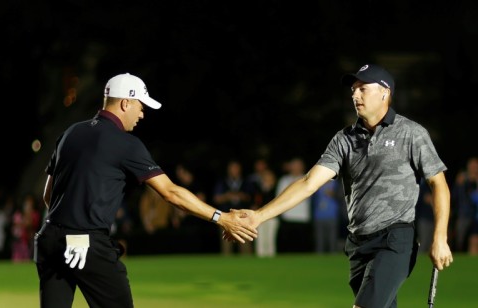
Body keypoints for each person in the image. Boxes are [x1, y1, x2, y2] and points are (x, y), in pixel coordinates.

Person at [230, 64, 453, 307]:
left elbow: (438, 183)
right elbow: (308, 183)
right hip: (358, 244)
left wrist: (440, 237)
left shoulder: (411, 133)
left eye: (362, 89)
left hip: (395, 238)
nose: (354, 95)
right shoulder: (344, 139)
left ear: (384, 92)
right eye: (353, 89)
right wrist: (259, 216)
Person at [34, 73, 257, 308]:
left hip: (48, 240)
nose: (142, 114)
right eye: (141, 107)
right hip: (86, 243)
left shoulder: (70, 133)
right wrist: (221, 217)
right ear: (125, 103)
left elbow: (49, 195)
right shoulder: (126, 144)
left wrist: (69, 230)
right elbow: (170, 192)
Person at [212, 159, 254, 255]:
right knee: (226, 246)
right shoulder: (222, 182)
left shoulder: (246, 182)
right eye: (232, 168)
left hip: (243, 218)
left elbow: (251, 197)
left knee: (245, 245)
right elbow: (216, 199)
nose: (234, 170)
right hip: (225, 216)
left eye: (236, 168)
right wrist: (227, 196)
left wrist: (241, 196)